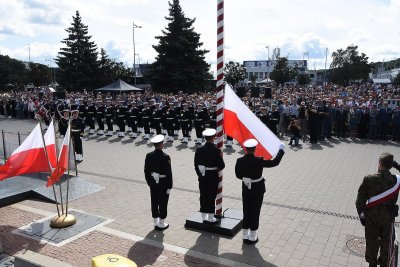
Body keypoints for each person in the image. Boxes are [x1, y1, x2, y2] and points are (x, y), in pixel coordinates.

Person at [235, 139, 285, 244]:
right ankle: (252, 235)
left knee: (246, 210)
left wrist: (246, 178)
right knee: (255, 210)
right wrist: (281, 150)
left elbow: (238, 175)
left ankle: (245, 234)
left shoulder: (239, 161)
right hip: (258, 188)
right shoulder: (259, 160)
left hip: (246, 188)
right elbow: (275, 163)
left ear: (245, 149)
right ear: (255, 149)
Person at [355, 153, 399, 267]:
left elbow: (359, 202)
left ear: (379, 163)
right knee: (386, 248)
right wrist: (398, 167)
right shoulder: (396, 181)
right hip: (388, 220)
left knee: (372, 248)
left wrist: (363, 217)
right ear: (390, 166)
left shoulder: (369, 179)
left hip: (372, 220)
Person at [194, 128, 225, 224]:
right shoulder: (216, 150)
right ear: (213, 138)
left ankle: (203, 216)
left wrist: (200, 174)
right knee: (211, 195)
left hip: (202, 176)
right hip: (212, 176)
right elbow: (222, 165)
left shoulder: (199, 150)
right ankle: (211, 216)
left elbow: (195, 164)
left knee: (203, 195)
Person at [144, 134, 173, 231]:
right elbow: (169, 173)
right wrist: (169, 186)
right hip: (163, 182)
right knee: (163, 202)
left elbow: (146, 171)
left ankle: (155, 221)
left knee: (154, 201)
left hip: (153, 182)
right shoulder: (166, 157)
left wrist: (150, 182)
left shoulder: (149, 155)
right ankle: (161, 223)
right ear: (161, 144)